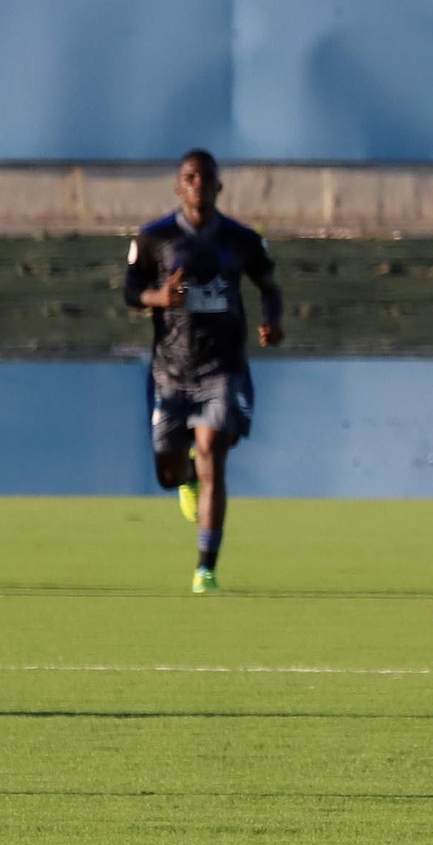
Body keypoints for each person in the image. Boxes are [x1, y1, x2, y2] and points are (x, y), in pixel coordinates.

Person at [124, 149, 284, 593]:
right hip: (170, 372)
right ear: (179, 186)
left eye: (205, 177)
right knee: (168, 472)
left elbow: (269, 285)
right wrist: (159, 299)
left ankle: (205, 568)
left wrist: (273, 321)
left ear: (218, 187)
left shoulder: (240, 240)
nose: (198, 184)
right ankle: (186, 476)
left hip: (222, 367)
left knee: (213, 450)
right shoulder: (155, 238)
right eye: (189, 177)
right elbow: (130, 291)